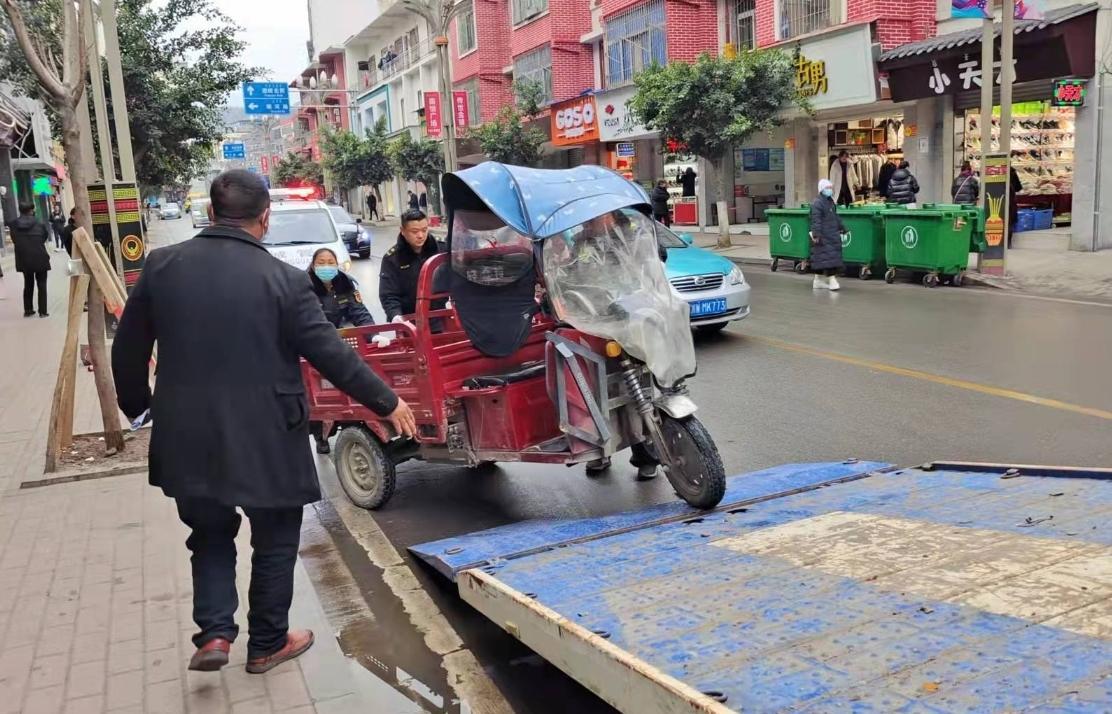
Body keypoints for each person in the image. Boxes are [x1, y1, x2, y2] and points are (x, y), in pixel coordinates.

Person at [111, 170, 417, 675]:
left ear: (211, 214)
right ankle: (267, 642)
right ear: (264, 219)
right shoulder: (282, 279)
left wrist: (139, 406)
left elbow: (129, 347)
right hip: (268, 434)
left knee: (208, 534)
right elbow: (330, 355)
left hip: (187, 432)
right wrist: (386, 402)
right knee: (274, 538)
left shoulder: (163, 266)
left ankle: (214, 634)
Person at [307, 248, 374, 454]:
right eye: (321, 262)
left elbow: (360, 312)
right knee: (317, 389)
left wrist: (372, 335)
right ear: (313, 264)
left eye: (330, 262)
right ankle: (320, 435)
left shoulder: (345, 283)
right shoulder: (304, 286)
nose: (326, 266)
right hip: (316, 343)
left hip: (343, 340)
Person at [379, 208, 443, 325]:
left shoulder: (440, 250)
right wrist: (395, 315)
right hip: (411, 322)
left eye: (424, 230)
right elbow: (389, 294)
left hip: (442, 318)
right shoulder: (392, 259)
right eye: (414, 231)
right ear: (402, 231)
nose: (420, 235)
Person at [7, 203, 51, 317]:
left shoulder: (14, 225)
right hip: (40, 256)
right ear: (31, 210)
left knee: (28, 283)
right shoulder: (39, 223)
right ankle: (43, 311)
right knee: (42, 284)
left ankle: (28, 310)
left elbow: (14, 239)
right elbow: (44, 236)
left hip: (24, 258)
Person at [809, 179, 846, 291]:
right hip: (824, 236)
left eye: (830, 187)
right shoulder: (818, 203)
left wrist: (842, 228)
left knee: (823, 258)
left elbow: (835, 217)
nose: (830, 190)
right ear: (822, 189)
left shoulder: (830, 202)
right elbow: (816, 220)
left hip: (831, 234)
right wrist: (816, 235)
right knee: (828, 259)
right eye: (828, 188)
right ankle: (832, 280)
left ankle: (817, 281)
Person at [1008, 166, 1023, 248]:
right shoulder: (1012, 172)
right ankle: (1008, 242)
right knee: (1009, 221)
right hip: (1010, 200)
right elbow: (1018, 187)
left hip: (996, 199)